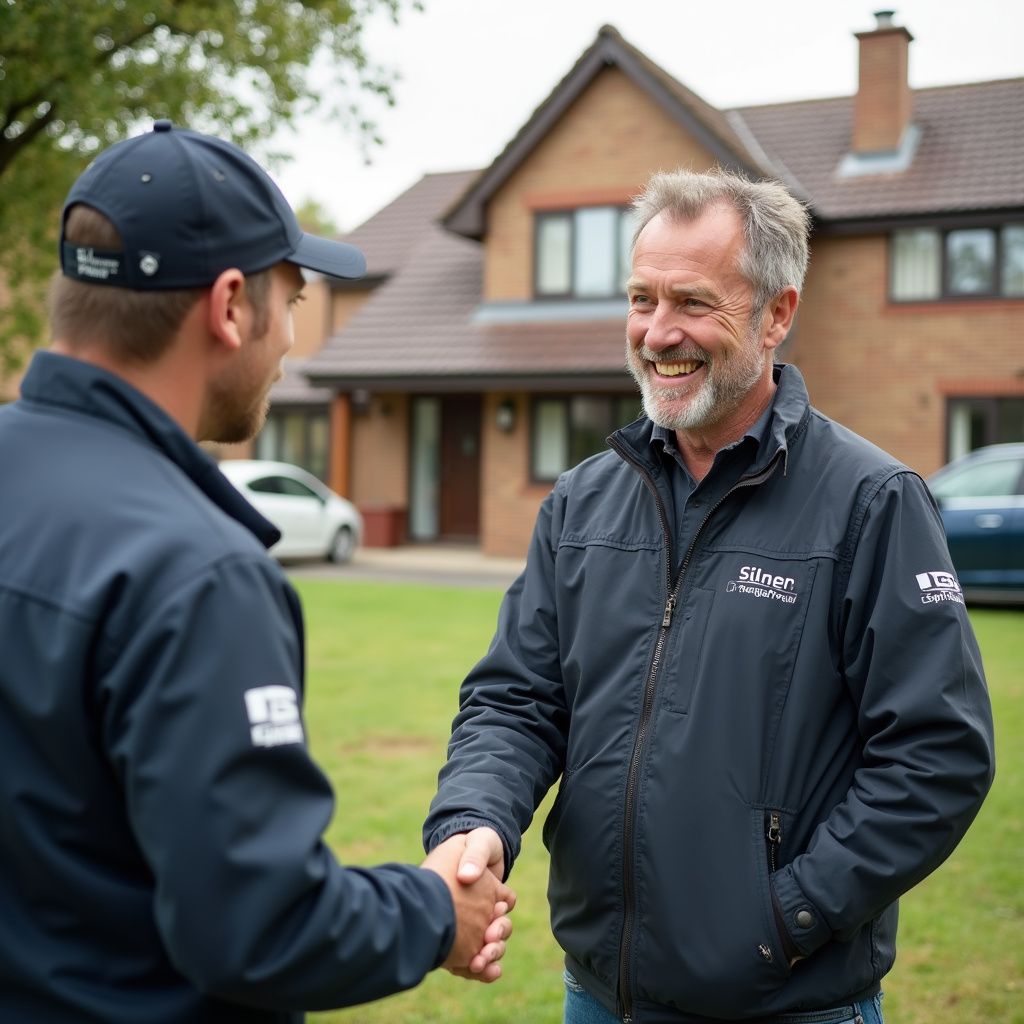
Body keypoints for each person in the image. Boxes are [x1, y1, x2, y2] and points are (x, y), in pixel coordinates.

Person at [423, 167, 995, 1024]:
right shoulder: (583, 501)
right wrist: (475, 820)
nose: (658, 333)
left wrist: (785, 917)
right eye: (641, 299)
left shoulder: (870, 503)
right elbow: (517, 698)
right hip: (599, 994)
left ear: (776, 314)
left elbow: (936, 756)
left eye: (692, 303)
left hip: (786, 1003)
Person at [0, 120, 513, 1024]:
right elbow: (259, 925)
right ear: (232, 306)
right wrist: (437, 907)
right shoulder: (194, 571)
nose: (290, 342)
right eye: (295, 297)